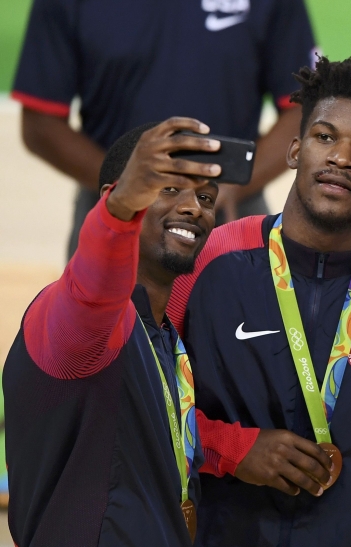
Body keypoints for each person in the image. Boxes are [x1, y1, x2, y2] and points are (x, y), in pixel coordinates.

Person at [166, 57, 351, 546]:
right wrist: (232, 448)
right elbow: (151, 402)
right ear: (295, 150)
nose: (341, 158)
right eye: (325, 137)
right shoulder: (208, 259)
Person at [3, 118, 222, 546]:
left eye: (206, 197)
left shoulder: (164, 338)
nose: (194, 207)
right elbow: (94, 290)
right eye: (169, 189)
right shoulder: (81, 318)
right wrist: (122, 208)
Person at [12, 0, 317, 258]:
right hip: (112, 207)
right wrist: (127, 188)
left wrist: (233, 187)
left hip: (230, 208)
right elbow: (40, 121)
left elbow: (304, 104)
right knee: (97, 328)